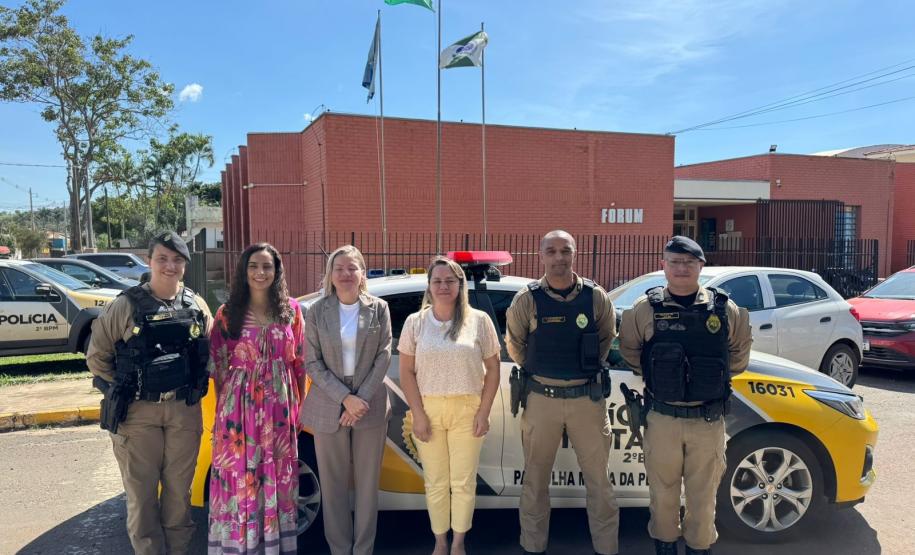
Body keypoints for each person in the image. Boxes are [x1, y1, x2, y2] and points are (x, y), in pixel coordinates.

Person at [618, 236, 752, 555]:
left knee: (703, 500)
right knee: (662, 498)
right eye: (674, 262)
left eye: (689, 262)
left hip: (707, 421)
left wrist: (706, 380)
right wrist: (664, 376)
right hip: (662, 417)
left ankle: (698, 549)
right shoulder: (644, 309)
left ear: (701, 266)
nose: (681, 268)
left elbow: (737, 357)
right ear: (663, 265)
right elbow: (630, 351)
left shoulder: (724, 309)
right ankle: (665, 548)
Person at [86, 231, 212, 555]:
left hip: (184, 411)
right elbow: (97, 357)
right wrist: (128, 385)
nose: (170, 266)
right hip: (138, 414)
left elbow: (210, 351)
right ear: (149, 260)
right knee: (141, 499)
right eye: (163, 259)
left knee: (179, 496)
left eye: (177, 260)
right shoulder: (125, 306)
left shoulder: (196, 304)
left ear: (185, 264)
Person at [505, 230, 619, 555]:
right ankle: (533, 546)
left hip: (587, 400)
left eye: (565, 251)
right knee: (535, 481)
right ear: (541, 255)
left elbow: (606, 338)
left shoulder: (596, 297)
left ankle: (607, 548)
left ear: (575, 253)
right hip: (542, 399)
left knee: (599, 481)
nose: (559, 258)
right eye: (551, 251)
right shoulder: (527, 300)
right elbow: (515, 345)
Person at [207, 243, 307, 554]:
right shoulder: (227, 314)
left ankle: (273, 546)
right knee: (242, 475)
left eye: (267, 266)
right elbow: (218, 364)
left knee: (276, 472)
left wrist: (298, 407)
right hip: (239, 411)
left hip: (280, 408)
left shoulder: (291, 311)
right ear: (243, 270)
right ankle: (243, 546)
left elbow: (299, 362)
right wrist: (224, 414)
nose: (260, 272)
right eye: (253, 265)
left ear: (277, 271)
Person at [398, 257, 502, 555]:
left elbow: (493, 369)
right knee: (436, 482)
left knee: (463, 481)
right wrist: (417, 414)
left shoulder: (479, 321)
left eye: (450, 281)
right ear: (429, 286)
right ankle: (440, 541)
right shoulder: (415, 323)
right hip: (428, 409)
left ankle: (458, 543)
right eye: (437, 281)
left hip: (467, 410)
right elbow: (406, 371)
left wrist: (483, 412)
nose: (443, 286)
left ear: (460, 285)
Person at [301, 245, 392, 555]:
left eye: (352, 268)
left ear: (362, 273)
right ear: (330, 274)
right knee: (333, 487)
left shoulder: (379, 308)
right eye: (339, 268)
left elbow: (383, 356)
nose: (345, 274)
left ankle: (363, 549)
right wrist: (345, 398)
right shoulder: (316, 311)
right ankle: (340, 549)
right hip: (328, 403)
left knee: (368, 488)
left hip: (370, 404)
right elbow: (311, 362)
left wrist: (359, 399)